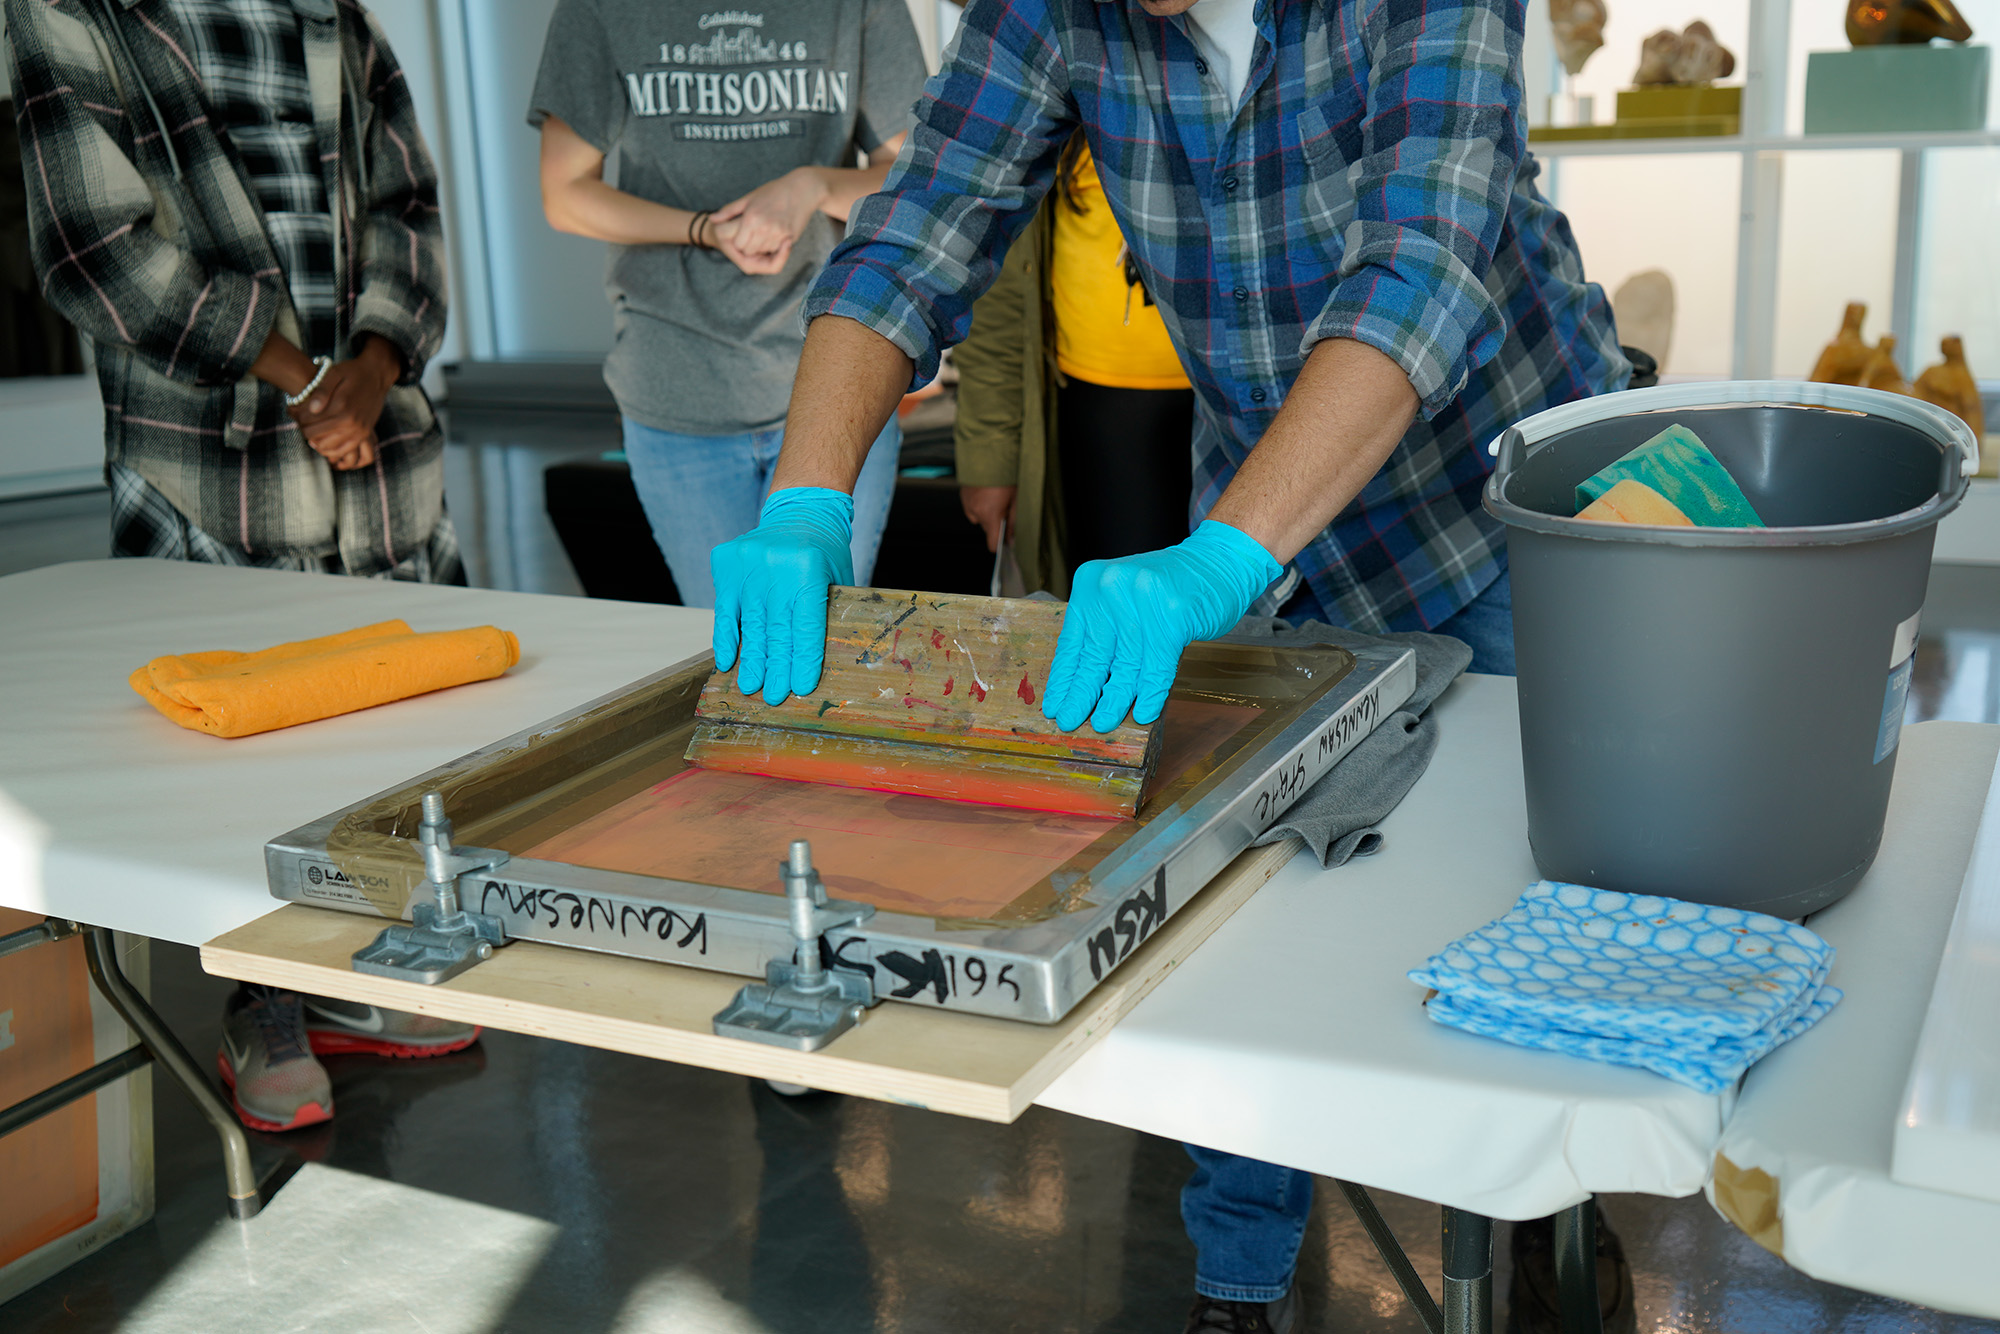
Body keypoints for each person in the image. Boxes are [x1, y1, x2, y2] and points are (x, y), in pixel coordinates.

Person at [707, 0, 1632, 1327]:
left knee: (1534, 896)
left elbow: (1426, 260)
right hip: (1263, 509)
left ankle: (1551, 1204)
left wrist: (1218, 563)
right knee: (1230, 905)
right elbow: (921, 228)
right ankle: (1240, 1281)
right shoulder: (1050, 10)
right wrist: (804, 495)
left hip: (1501, 508)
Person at [8, 0, 477, 1133]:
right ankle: (265, 1000)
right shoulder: (66, 14)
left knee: (390, 721)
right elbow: (93, 246)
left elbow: (409, 203)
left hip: (376, 452)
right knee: (236, 746)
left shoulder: (333, 13)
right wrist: (296, 373)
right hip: (208, 465)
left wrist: (370, 361)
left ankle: (354, 976)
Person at [528, 0, 929, 609]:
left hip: (838, 379)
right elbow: (565, 194)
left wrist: (812, 185)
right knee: (732, 645)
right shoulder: (599, 8)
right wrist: (703, 229)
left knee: (818, 637)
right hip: (677, 387)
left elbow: (916, 178)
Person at [955, 134, 1198, 594]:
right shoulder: (1061, 85)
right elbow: (998, 290)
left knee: (1257, 622)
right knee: (1123, 616)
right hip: (1103, 411)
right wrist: (991, 454)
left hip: (1254, 399)